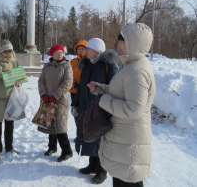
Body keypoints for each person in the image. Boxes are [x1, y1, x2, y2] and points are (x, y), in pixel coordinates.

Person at [88, 23, 156, 187]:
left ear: (135, 43)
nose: (118, 45)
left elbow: (134, 109)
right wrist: (100, 88)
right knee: (122, 180)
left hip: (129, 140)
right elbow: (121, 92)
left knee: (127, 182)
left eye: (122, 41)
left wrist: (104, 101)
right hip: (124, 138)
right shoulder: (130, 66)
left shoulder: (137, 71)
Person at [71, 38, 118, 184]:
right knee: (90, 135)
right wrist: (75, 104)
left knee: (100, 140)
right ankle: (92, 165)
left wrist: (109, 106)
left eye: (88, 49)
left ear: (97, 50)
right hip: (86, 107)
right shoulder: (86, 65)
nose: (85, 51)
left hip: (101, 108)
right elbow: (80, 88)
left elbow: (115, 87)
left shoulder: (109, 65)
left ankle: (101, 171)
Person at [38, 44, 74, 162]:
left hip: (60, 101)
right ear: (51, 54)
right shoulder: (47, 67)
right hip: (47, 100)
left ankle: (67, 151)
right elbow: (41, 81)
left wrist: (54, 96)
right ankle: (52, 147)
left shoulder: (67, 66)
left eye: (61, 52)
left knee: (60, 125)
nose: (60, 54)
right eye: (57, 52)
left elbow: (68, 83)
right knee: (50, 123)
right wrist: (44, 95)